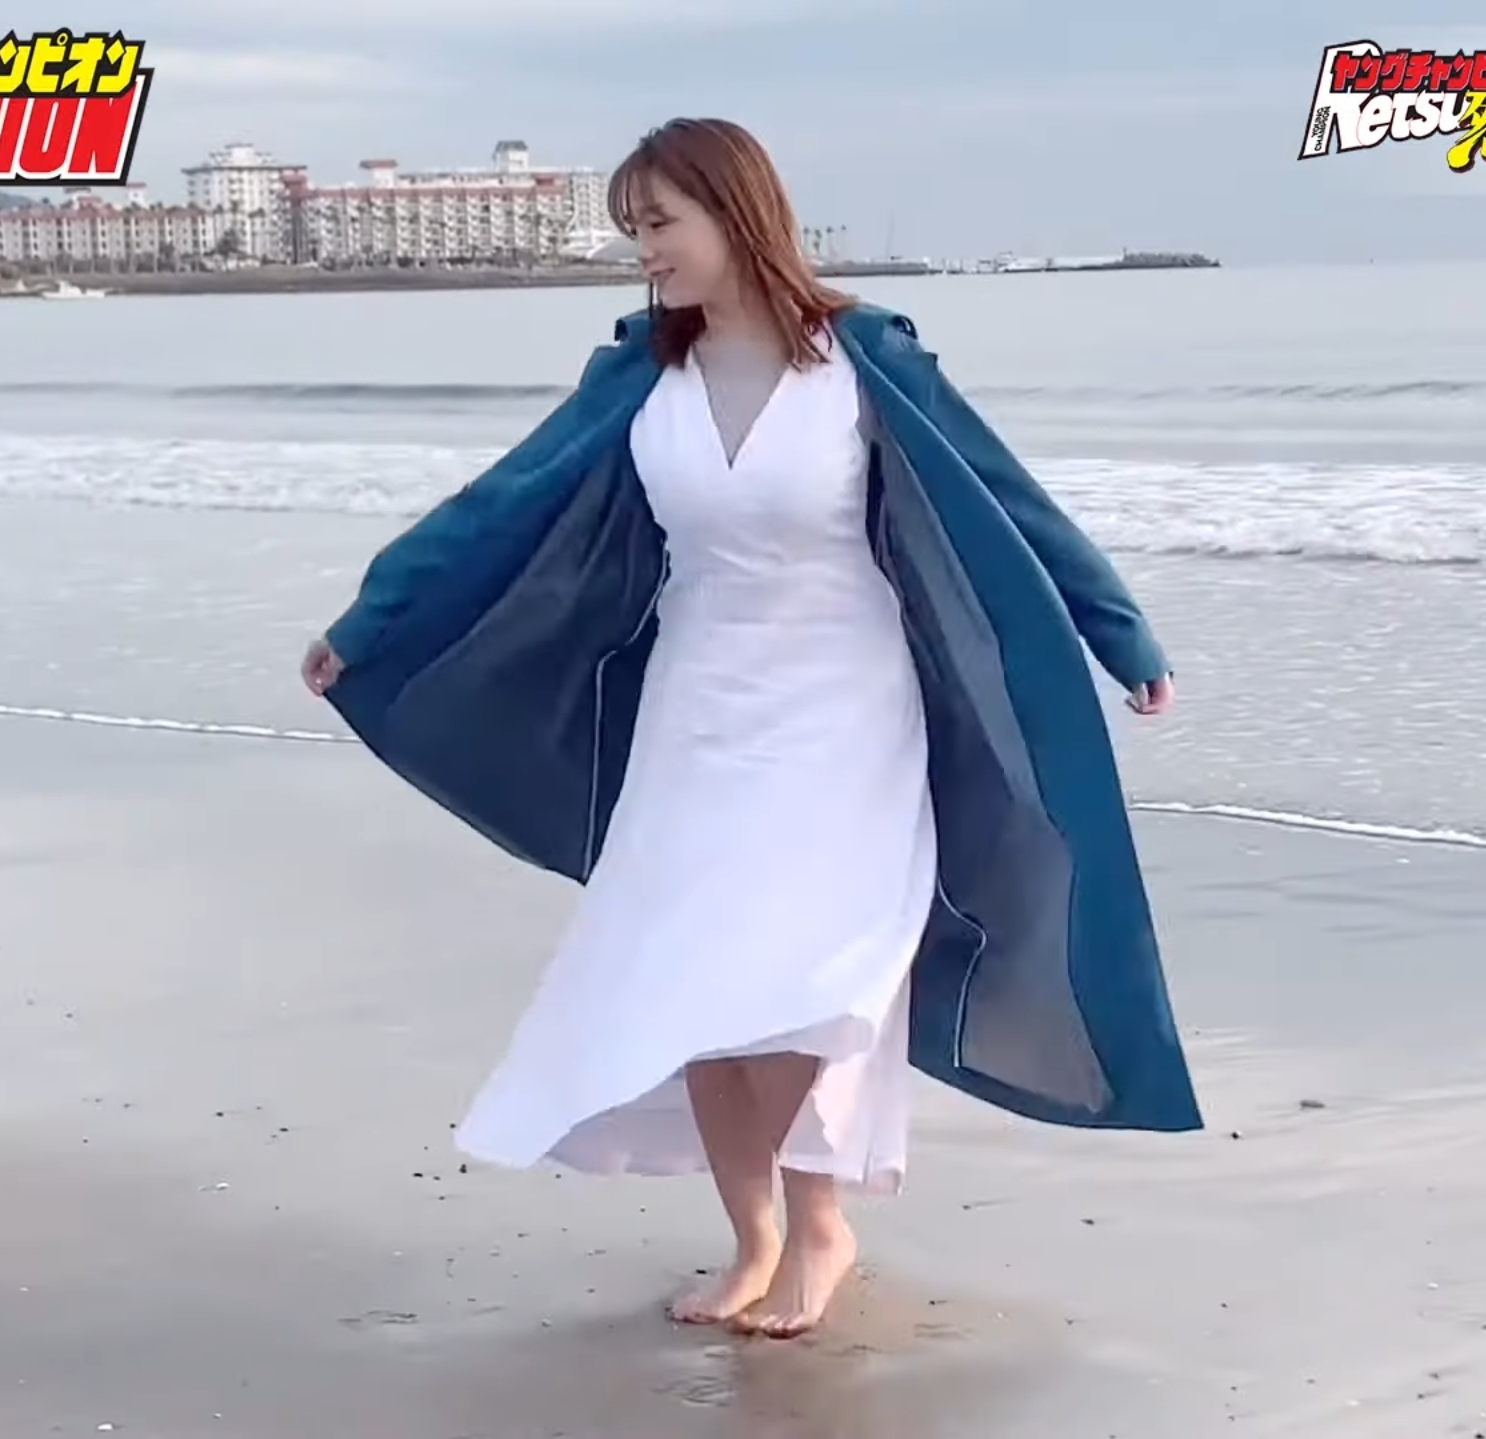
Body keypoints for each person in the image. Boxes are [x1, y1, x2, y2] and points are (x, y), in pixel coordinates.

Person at [300, 117, 1200, 1339]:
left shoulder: (864, 359)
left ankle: (820, 1228)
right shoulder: (639, 373)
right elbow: (499, 503)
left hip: (843, 711)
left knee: (802, 977)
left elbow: (1009, 502)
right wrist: (372, 617)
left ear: (736, 213)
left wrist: (1119, 633)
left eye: (660, 223)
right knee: (696, 985)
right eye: (635, 229)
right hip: (698, 714)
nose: (644, 251)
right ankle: (754, 1239)